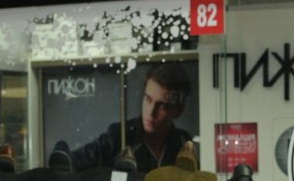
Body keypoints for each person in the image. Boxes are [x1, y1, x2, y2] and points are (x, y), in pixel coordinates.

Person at [62, 62, 195, 173]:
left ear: (178, 111)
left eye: (162, 106)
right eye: (148, 99)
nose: (151, 112)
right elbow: (71, 162)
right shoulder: (119, 136)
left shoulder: (182, 141)